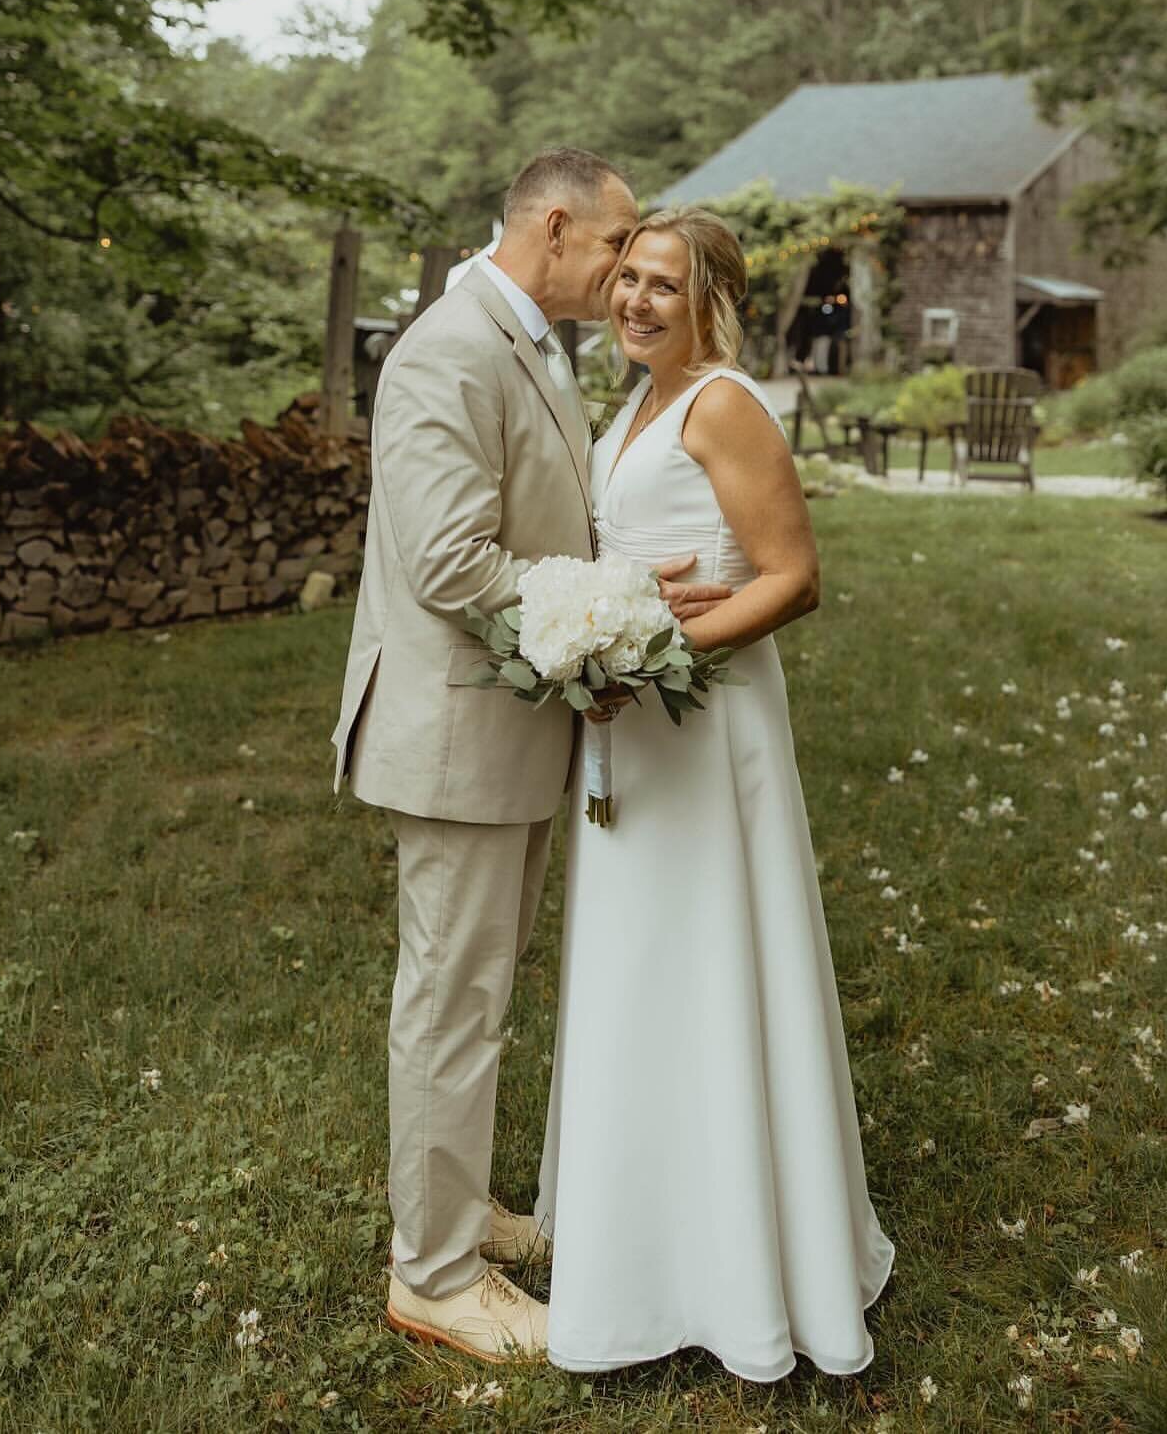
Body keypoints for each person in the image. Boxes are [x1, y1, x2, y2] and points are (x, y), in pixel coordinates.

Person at [329, 150, 731, 1362]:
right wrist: (605, 603)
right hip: (455, 730)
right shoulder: (449, 351)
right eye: (614, 251)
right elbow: (453, 564)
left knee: (480, 991)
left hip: (506, 725)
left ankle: (460, 1212)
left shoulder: (523, 341)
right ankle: (435, 1278)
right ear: (555, 229)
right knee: (453, 1001)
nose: (621, 279)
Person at [537, 205, 895, 1382]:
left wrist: (652, 657)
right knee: (641, 973)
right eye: (628, 277)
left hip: (705, 722)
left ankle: (745, 1272)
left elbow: (793, 578)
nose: (637, 300)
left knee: (715, 964)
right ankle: (641, 1252)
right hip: (632, 731)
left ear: (711, 301)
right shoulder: (633, 399)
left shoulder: (722, 403)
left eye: (664, 286)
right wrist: (596, 639)